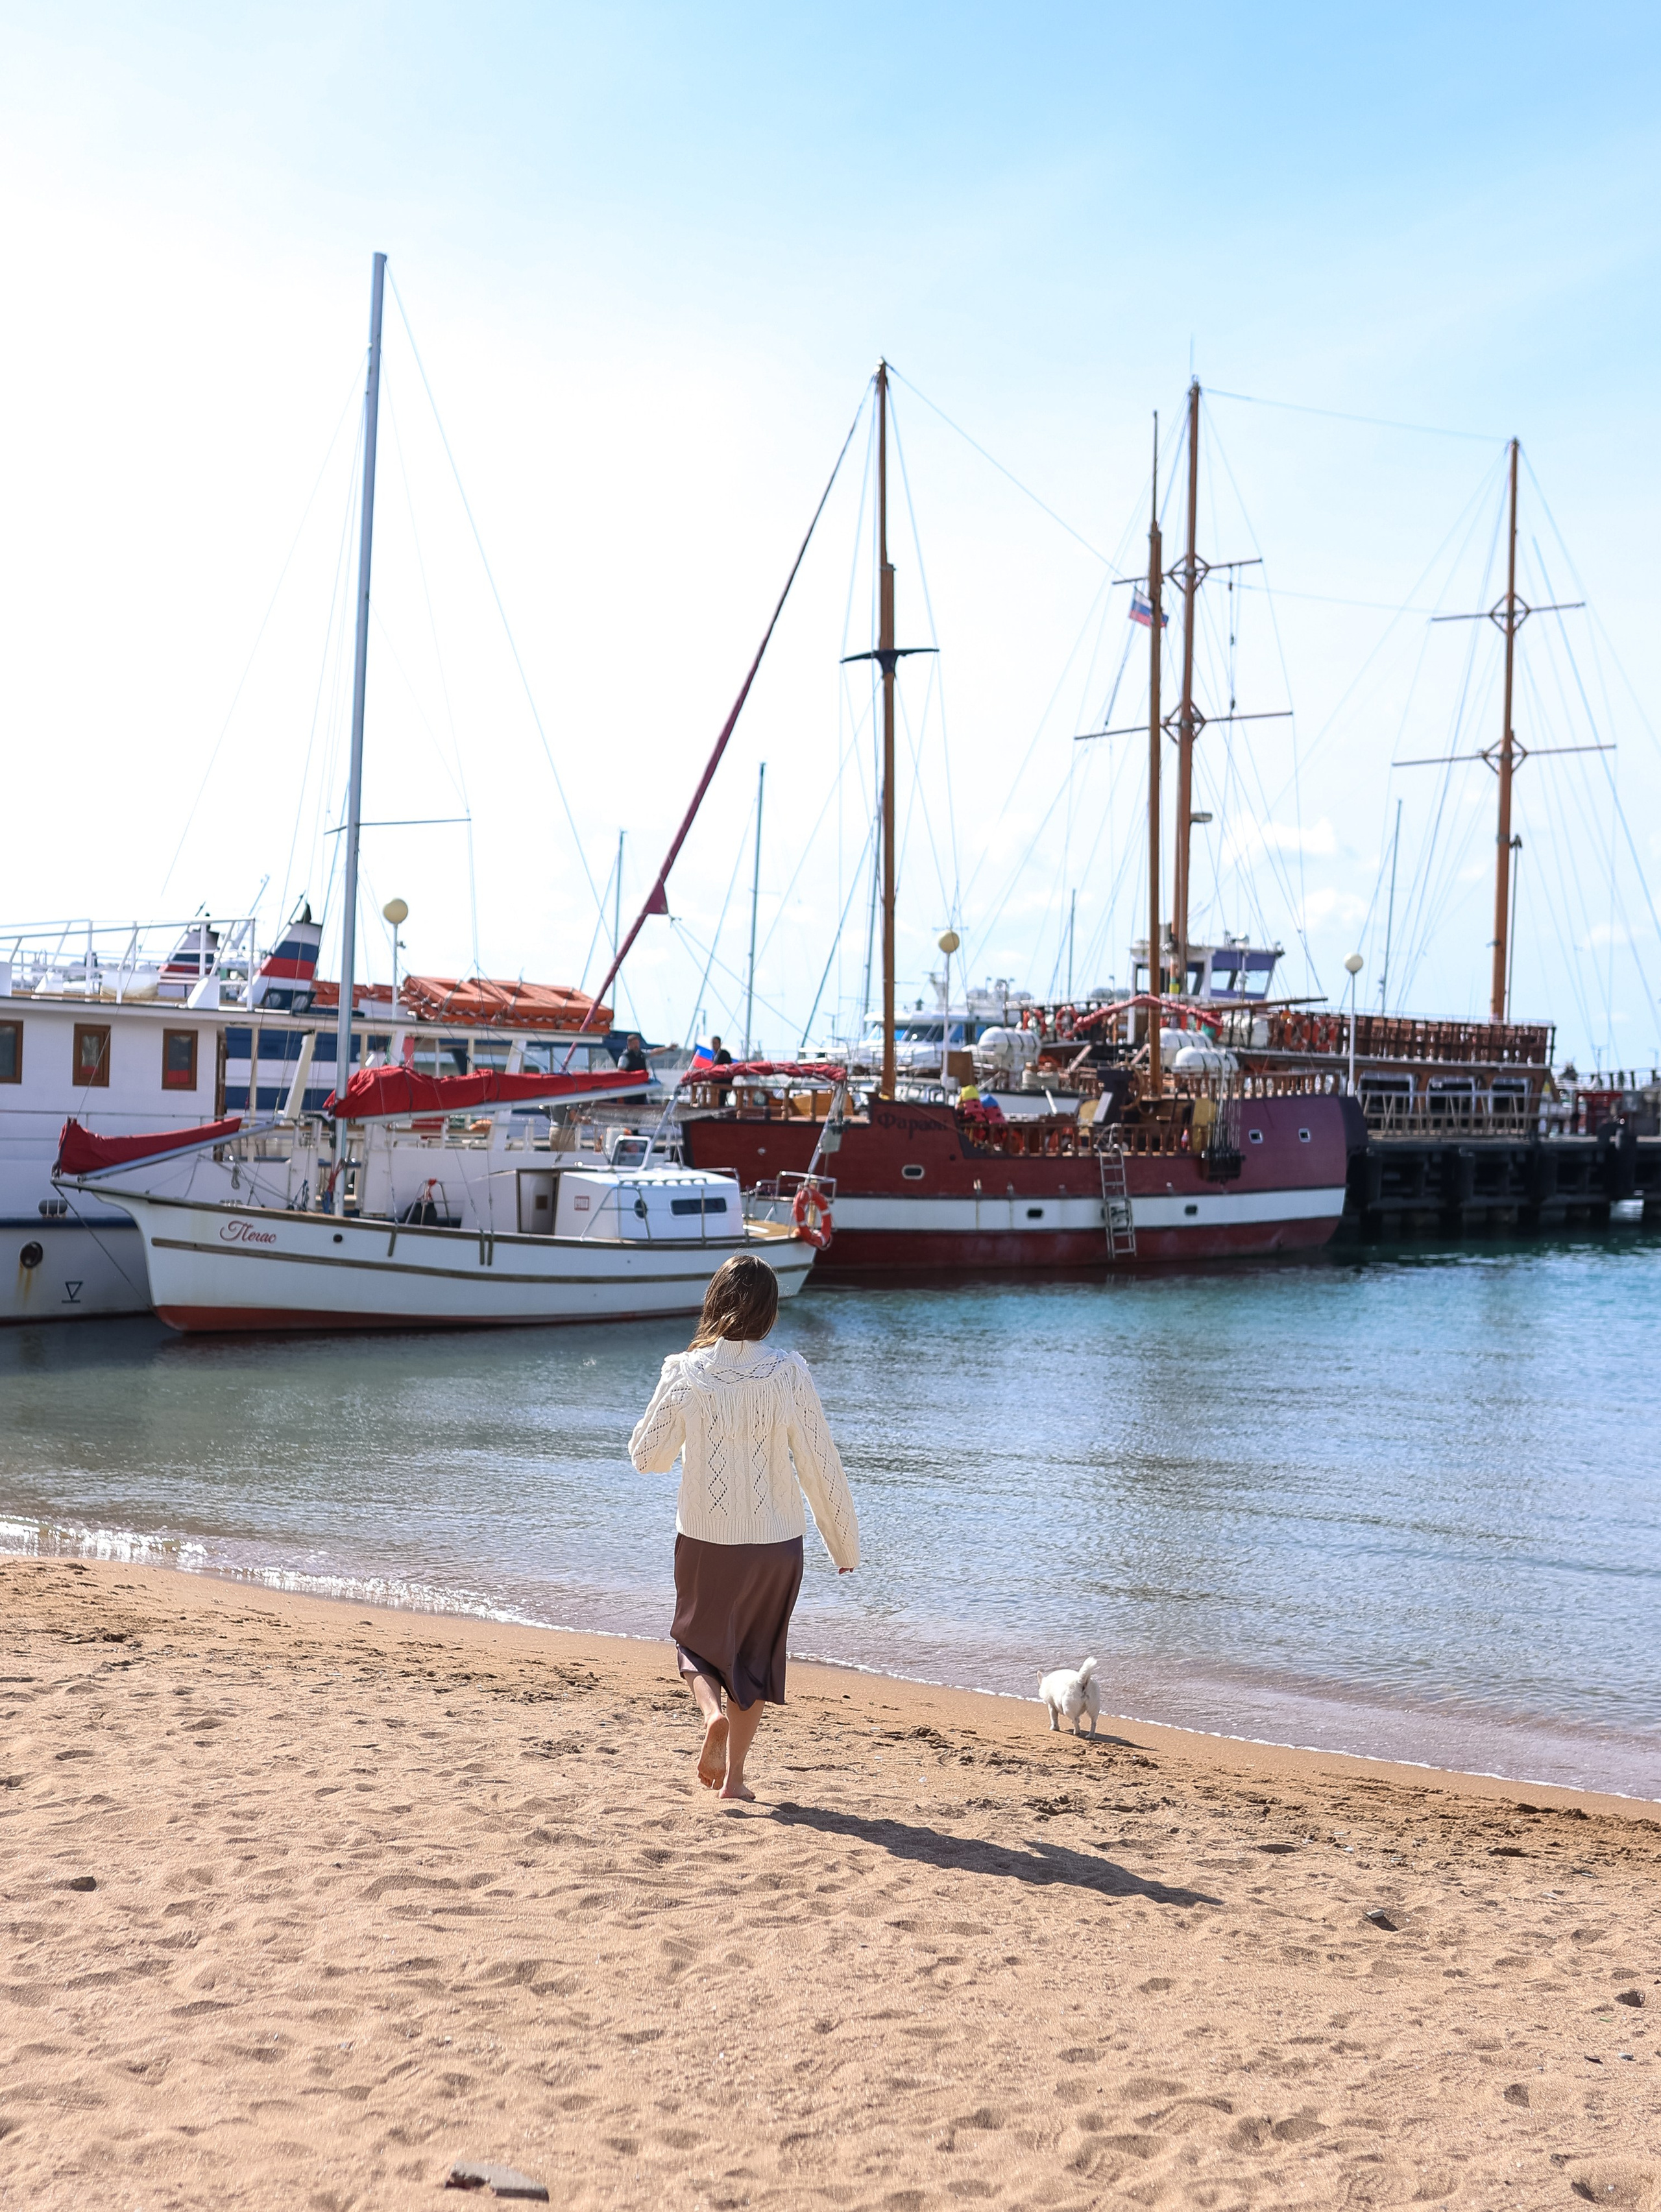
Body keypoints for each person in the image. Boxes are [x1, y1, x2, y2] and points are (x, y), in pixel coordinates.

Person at [629, 1253, 858, 1803]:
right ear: (770, 1312)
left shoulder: (683, 1371)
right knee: (753, 1659)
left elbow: (646, 1458)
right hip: (776, 1545)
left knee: (694, 1644)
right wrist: (843, 1543)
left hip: (705, 1541)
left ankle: (711, 1714)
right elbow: (819, 1463)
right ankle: (733, 1781)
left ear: (714, 1302)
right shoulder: (788, 1372)